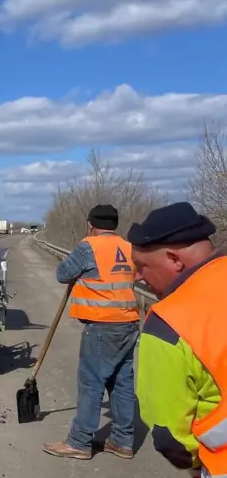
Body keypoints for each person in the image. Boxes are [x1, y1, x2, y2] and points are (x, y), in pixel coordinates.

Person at [130, 202, 225, 478]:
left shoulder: (169, 321)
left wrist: (196, 467)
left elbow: (169, 435)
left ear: (174, 259)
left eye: (141, 266)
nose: (137, 276)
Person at [42, 204, 140, 461]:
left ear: (91, 224)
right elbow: (136, 275)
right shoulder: (129, 247)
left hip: (102, 325)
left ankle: (79, 442)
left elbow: (63, 274)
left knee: (92, 384)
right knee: (122, 385)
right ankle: (122, 441)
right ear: (116, 225)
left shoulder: (89, 246)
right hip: (128, 323)